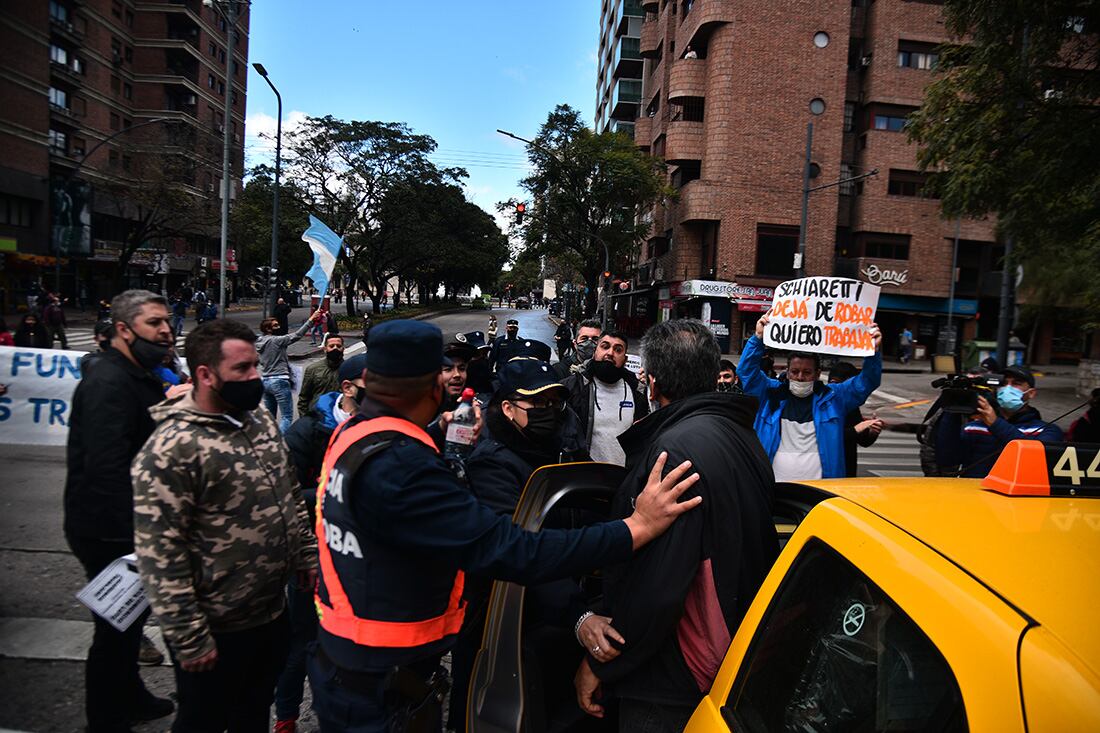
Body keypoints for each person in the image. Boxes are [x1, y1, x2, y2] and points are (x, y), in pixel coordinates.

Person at [308, 319, 703, 731]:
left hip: (351, 658)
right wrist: (635, 529)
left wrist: (439, 436)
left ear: (368, 381)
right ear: (434, 388)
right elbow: (515, 549)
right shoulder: (409, 467)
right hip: (378, 681)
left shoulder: (357, 433)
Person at [574, 318, 779, 730]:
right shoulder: (739, 433)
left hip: (670, 676)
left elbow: (658, 580)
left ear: (652, 384)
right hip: (733, 654)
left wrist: (605, 665)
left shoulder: (671, 453)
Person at [132, 319, 318, 733]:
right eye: (242, 369)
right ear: (204, 374)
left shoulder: (259, 422)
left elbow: (288, 493)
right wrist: (188, 635)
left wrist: (304, 555)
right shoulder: (172, 448)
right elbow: (160, 554)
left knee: (252, 712)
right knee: (203, 720)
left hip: (270, 612)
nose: (255, 376)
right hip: (216, 627)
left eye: (256, 365)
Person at [450, 358, 590, 726]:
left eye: (553, 404)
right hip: (501, 619)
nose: (548, 412)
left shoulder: (562, 446)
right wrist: (578, 614)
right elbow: (523, 549)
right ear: (508, 409)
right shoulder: (491, 463)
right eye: (537, 404)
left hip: (555, 614)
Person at [63, 289, 175, 732]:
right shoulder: (108, 383)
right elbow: (106, 470)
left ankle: (130, 696)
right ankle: (106, 720)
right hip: (110, 529)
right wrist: (134, 536)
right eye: (154, 323)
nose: (166, 330)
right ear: (123, 330)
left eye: (167, 321)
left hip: (127, 524)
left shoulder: (137, 372)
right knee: (114, 630)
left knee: (129, 624)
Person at [279, 353, 367, 733]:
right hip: (312, 554)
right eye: (371, 383)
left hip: (358, 558)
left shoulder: (381, 427)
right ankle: (286, 715)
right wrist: (335, 491)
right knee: (300, 641)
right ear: (348, 389)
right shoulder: (308, 431)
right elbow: (284, 493)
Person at [737, 313, 883, 481]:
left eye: (807, 372)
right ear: (787, 371)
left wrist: (873, 352)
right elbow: (746, 373)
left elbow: (867, 382)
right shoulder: (769, 394)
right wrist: (757, 339)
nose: (800, 377)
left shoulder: (834, 398)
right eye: (795, 371)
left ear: (817, 374)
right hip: (772, 489)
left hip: (821, 492)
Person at [936, 365, 1065, 477]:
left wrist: (995, 423)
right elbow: (947, 459)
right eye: (1003, 384)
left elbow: (1034, 458)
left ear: (1031, 393)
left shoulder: (1048, 430)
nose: (1008, 388)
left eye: (1016, 383)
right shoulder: (973, 428)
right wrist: (953, 408)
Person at [562, 329, 650, 466]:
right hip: (583, 477)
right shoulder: (572, 388)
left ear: (625, 359)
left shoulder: (638, 392)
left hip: (625, 479)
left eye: (618, 350)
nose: (610, 353)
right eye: (605, 347)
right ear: (595, 351)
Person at [257, 312, 321, 433]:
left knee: (269, 417)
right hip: (279, 379)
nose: (279, 327)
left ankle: (269, 441)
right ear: (268, 329)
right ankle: (281, 443)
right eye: (275, 326)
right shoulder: (277, 340)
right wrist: (311, 320)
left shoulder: (259, 342)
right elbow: (297, 335)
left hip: (265, 380)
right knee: (286, 416)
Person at [828, 361, 884, 477]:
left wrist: (873, 432)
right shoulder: (823, 404)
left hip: (847, 468)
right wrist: (855, 429)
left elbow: (863, 440)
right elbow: (826, 435)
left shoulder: (851, 407)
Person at [297, 333, 345, 417]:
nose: (335, 349)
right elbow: (304, 397)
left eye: (338, 346)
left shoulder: (349, 369)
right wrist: (304, 419)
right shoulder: (313, 369)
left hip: (341, 417)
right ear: (325, 349)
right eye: (331, 346)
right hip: (318, 417)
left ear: (343, 349)